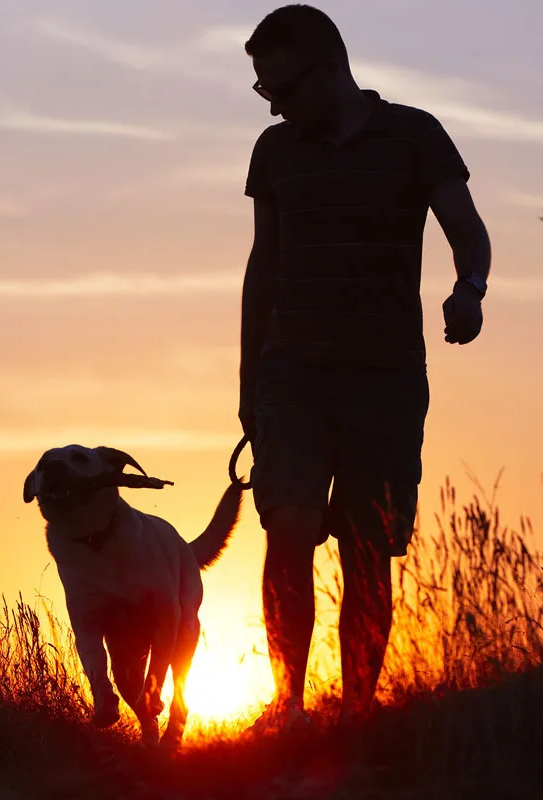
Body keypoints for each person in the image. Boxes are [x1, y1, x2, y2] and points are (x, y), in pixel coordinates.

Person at [238, 4, 490, 734]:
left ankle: (355, 714)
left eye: (280, 87)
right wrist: (248, 385)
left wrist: (467, 289)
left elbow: (466, 230)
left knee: (366, 545)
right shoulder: (275, 150)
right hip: (290, 371)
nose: (274, 104)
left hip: (384, 377)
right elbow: (264, 265)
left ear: (328, 68)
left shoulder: (414, 135)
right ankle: (286, 707)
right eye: (265, 93)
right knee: (286, 524)